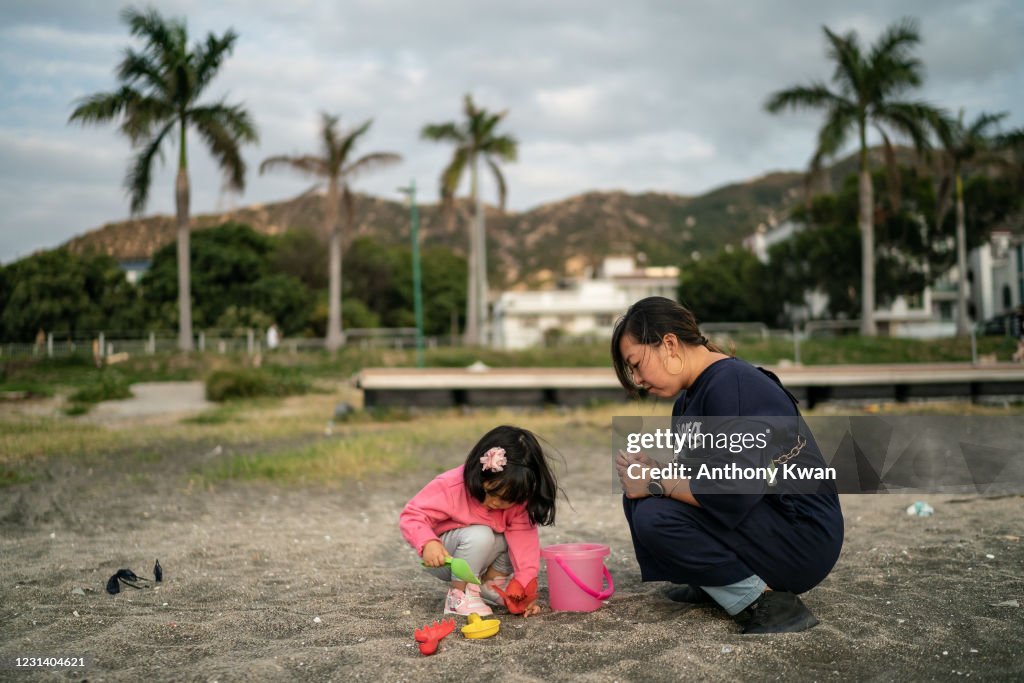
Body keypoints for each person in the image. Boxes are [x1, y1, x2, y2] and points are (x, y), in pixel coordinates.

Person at [610, 296, 844, 634]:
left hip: (801, 534)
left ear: (669, 344)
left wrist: (656, 479)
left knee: (655, 513)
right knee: (640, 497)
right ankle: (715, 582)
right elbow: (704, 477)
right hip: (767, 517)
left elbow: (732, 490)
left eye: (636, 364)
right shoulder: (688, 400)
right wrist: (652, 470)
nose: (637, 380)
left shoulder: (732, 383)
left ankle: (763, 602)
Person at [399, 425, 560, 617]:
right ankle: (459, 596)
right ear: (481, 472)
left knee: (515, 543)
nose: (494, 502)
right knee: (480, 534)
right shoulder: (452, 486)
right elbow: (412, 514)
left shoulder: (519, 502)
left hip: (478, 555)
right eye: (492, 492)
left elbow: (525, 546)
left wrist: (524, 588)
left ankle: (489, 586)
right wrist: (428, 543)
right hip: (444, 558)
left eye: (505, 500)